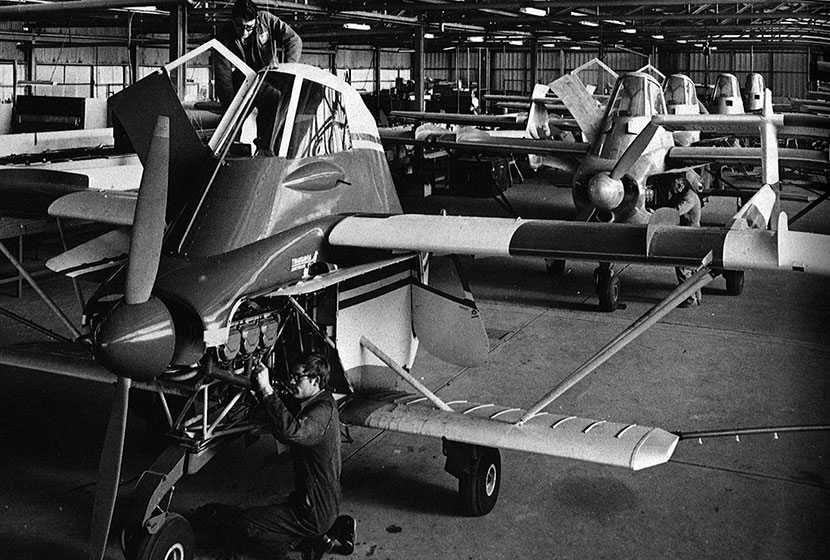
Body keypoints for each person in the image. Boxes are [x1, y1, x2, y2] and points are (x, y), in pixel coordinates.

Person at [191, 351, 355, 560]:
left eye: (298, 377)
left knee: (247, 525)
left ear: (315, 380)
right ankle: (325, 533)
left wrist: (267, 389)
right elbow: (282, 409)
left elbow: (291, 431)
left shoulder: (321, 413)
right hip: (316, 502)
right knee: (251, 520)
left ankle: (318, 538)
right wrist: (260, 388)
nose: (292, 380)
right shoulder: (319, 400)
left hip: (313, 513)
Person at [214, 0, 302, 148]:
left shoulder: (266, 20)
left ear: (256, 21)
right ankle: (230, 149)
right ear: (233, 21)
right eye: (239, 27)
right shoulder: (223, 36)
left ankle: (265, 151)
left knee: (270, 123)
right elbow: (223, 76)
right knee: (230, 126)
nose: (244, 32)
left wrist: (287, 71)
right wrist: (230, 106)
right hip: (243, 82)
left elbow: (294, 41)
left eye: (249, 27)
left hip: (269, 80)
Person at [667, 175, 703, 307]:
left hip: (689, 234)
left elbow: (677, 210)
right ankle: (696, 297)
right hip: (687, 233)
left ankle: (690, 299)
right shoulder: (683, 194)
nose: (671, 189)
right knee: (692, 269)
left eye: (673, 186)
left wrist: (659, 214)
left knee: (683, 267)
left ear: (679, 184)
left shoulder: (689, 197)